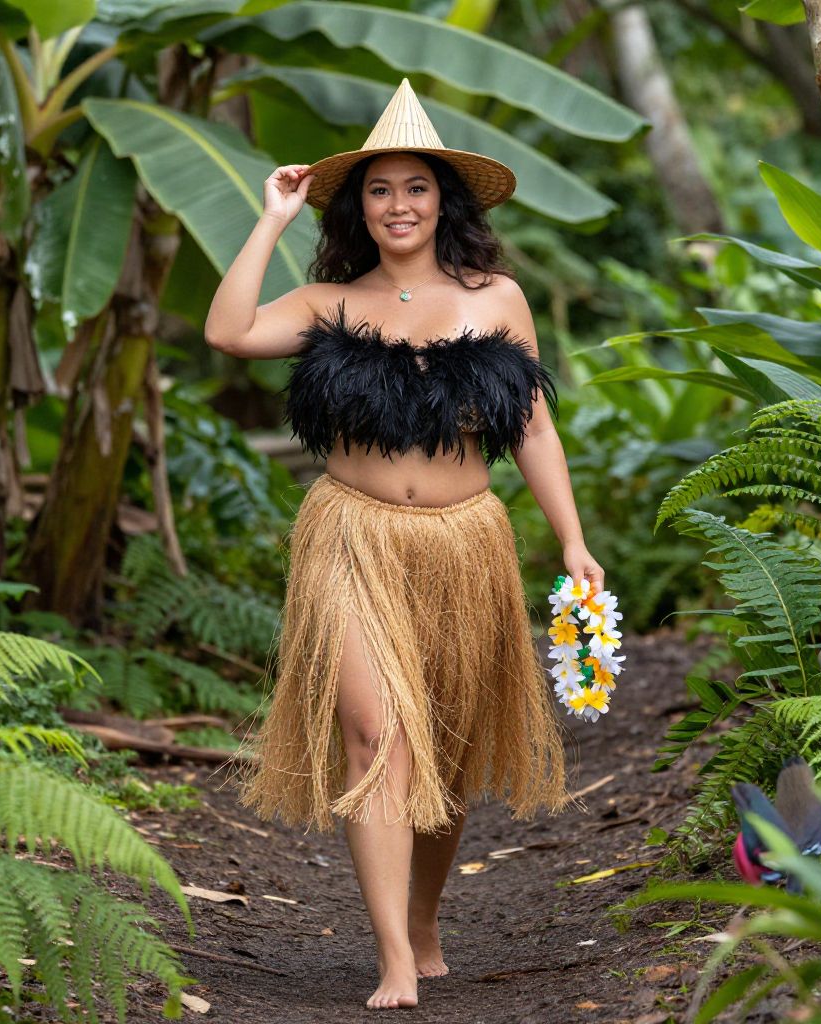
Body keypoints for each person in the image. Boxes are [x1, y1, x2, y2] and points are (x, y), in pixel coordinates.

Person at [205, 79, 604, 1011]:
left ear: (444, 202)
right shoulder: (324, 301)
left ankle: (426, 918)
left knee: (450, 750)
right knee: (377, 734)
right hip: (351, 538)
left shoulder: (498, 299)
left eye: (415, 189)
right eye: (379, 190)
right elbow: (228, 331)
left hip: (466, 543)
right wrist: (271, 219)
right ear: (359, 206)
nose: (398, 205)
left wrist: (574, 543)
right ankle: (392, 955)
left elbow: (536, 430)